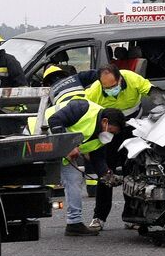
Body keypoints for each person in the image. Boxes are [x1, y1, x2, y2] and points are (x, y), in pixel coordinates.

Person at [83, 64, 153, 230]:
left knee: (133, 174)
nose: (110, 90)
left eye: (113, 86)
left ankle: (133, 216)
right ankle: (99, 217)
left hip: (131, 130)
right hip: (109, 133)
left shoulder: (132, 79)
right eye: (106, 88)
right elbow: (85, 115)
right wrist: (87, 146)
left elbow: (151, 91)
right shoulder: (94, 91)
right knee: (106, 174)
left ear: (120, 78)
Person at [45, 101, 125, 236]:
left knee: (74, 179)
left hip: (55, 146)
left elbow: (98, 159)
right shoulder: (83, 108)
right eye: (111, 131)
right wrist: (68, 145)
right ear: (105, 121)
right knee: (30, 181)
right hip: (38, 137)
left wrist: (106, 175)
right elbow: (54, 120)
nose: (110, 135)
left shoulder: (100, 137)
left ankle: (74, 223)